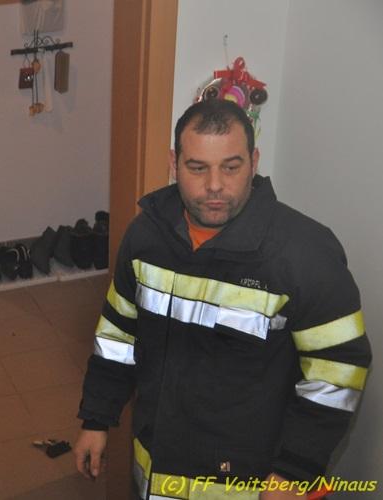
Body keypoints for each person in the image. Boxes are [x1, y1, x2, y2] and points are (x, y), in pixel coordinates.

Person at [74, 99, 372, 499]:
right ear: (174, 164)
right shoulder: (145, 238)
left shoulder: (304, 254)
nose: (214, 185)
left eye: (231, 167)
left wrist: (295, 471)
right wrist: (97, 418)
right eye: (197, 168)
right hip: (154, 469)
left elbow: (338, 370)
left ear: (254, 162)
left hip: (251, 481)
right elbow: (117, 335)